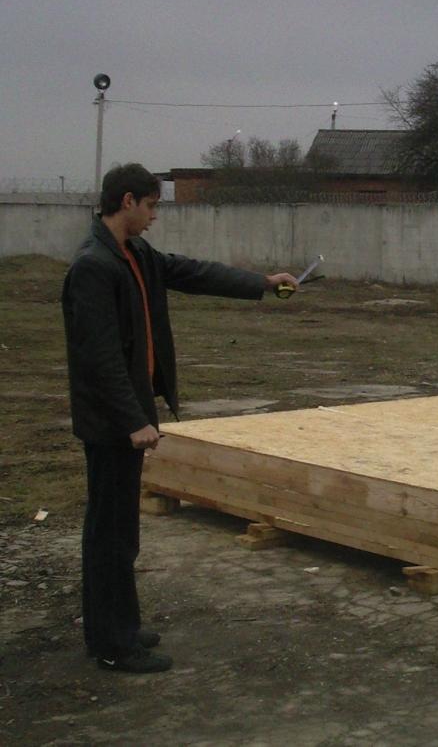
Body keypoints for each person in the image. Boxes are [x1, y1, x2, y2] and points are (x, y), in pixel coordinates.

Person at [62, 163, 298, 673]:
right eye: (151, 206)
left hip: (126, 413)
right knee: (109, 534)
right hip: (111, 422)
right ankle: (113, 644)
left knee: (120, 531)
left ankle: (118, 628)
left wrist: (261, 283)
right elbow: (98, 357)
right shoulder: (93, 266)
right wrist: (132, 420)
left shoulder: (134, 254)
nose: (154, 216)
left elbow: (192, 272)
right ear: (127, 201)